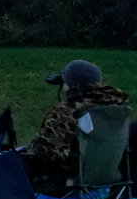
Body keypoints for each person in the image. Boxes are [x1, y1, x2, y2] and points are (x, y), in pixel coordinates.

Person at [23, 59, 130, 188]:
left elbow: (44, 154)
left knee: (13, 164)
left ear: (69, 85)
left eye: (63, 83)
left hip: (70, 183)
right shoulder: (116, 107)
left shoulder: (68, 112)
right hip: (107, 179)